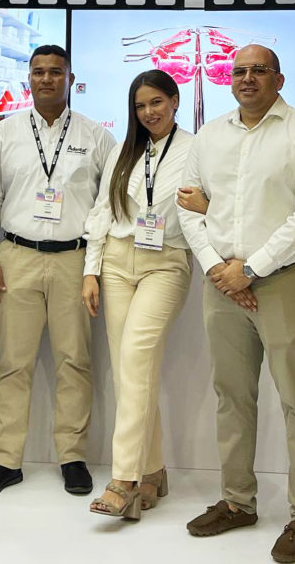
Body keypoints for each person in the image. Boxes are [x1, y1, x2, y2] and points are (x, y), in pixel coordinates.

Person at [177, 44, 295, 564]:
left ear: (279, 79)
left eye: (259, 71)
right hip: (222, 283)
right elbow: (188, 207)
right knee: (231, 396)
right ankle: (237, 502)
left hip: (287, 282)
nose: (247, 78)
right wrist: (218, 268)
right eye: (239, 71)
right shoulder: (209, 137)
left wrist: (251, 269)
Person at [0, 45, 115, 497]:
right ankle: (5, 460)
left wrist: (93, 268)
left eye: (56, 72)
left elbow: (106, 205)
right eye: (39, 72)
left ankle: (72, 457)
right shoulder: (4, 133)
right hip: (17, 256)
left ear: (71, 78)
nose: (47, 79)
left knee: (75, 361)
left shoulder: (96, 136)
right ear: (28, 79)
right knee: (13, 362)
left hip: (74, 259)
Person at [81, 70, 203, 521]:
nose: (149, 112)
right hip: (116, 262)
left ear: (175, 100)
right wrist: (91, 271)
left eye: (156, 102)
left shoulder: (196, 149)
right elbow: (102, 211)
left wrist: (208, 207)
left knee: (135, 359)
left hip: (166, 263)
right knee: (129, 370)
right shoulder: (123, 150)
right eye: (140, 106)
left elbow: (217, 204)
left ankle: (123, 479)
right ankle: (152, 470)